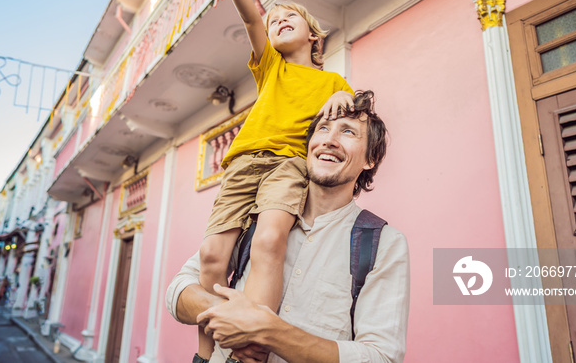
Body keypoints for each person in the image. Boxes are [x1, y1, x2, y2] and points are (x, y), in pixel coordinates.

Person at [195, 0, 355, 361]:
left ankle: (253, 344)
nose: (278, 20)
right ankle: (205, 354)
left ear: (314, 36)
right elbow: (250, 15)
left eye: (290, 17)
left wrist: (344, 96)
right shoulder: (271, 66)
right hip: (245, 163)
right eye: (274, 19)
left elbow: (348, 116)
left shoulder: (333, 81)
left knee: (269, 242)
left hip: (289, 166)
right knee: (212, 255)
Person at [167, 90, 410, 363]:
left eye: (348, 132)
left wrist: (269, 332)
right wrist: (232, 315)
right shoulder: (260, 216)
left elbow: (381, 357)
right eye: (323, 129)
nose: (329, 140)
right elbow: (179, 289)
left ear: (370, 159)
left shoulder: (382, 243)